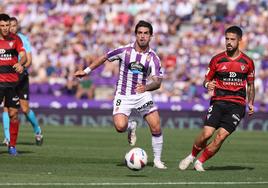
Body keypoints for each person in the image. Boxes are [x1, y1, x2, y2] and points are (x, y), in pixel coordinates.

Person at [74, 20, 167, 169]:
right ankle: (130, 125)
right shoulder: (124, 51)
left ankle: (157, 160)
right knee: (119, 127)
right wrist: (85, 72)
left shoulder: (153, 58)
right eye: (140, 33)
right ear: (135, 34)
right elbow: (104, 57)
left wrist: (146, 87)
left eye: (146, 33)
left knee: (156, 126)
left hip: (142, 94)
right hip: (123, 95)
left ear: (151, 36)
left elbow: (157, 82)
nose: (142, 36)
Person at [178, 25, 255, 171]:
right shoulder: (217, 60)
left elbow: (251, 85)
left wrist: (251, 102)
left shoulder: (248, 62)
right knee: (206, 134)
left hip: (237, 105)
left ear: (239, 41)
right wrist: (208, 84)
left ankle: (200, 162)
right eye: (227, 39)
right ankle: (191, 156)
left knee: (220, 137)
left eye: (232, 39)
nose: (228, 42)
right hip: (218, 102)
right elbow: (206, 80)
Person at [1, 17, 43, 146]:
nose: (11, 28)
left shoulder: (22, 39)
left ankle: (37, 130)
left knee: (24, 109)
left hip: (21, 77)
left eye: (13, 25)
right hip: (6, 77)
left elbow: (28, 59)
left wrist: (21, 66)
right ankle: (8, 139)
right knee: (7, 108)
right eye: (9, 25)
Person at [0, 13, 26, 155]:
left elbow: (23, 55)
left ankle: (12, 146)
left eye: (7, 25)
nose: (5, 28)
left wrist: (20, 63)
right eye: (2, 26)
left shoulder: (16, 39)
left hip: (12, 84)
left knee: (14, 114)